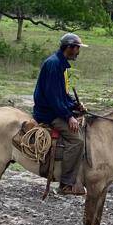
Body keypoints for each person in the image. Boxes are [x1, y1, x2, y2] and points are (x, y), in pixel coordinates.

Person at [33, 32, 87, 195]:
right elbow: (53, 97)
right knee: (77, 140)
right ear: (69, 47)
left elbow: (61, 95)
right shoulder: (54, 65)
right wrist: (68, 116)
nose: (78, 52)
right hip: (48, 113)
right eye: (77, 48)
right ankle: (66, 184)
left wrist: (75, 105)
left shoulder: (60, 64)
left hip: (54, 109)